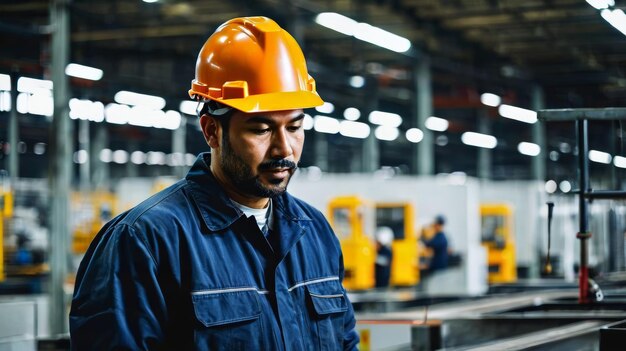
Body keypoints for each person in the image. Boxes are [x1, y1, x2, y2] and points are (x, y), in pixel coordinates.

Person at [69, 16, 359, 350]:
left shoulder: (315, 232)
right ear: (212, 131)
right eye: (261, 129)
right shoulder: (145, 241)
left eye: (294, 127)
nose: (284, 148)